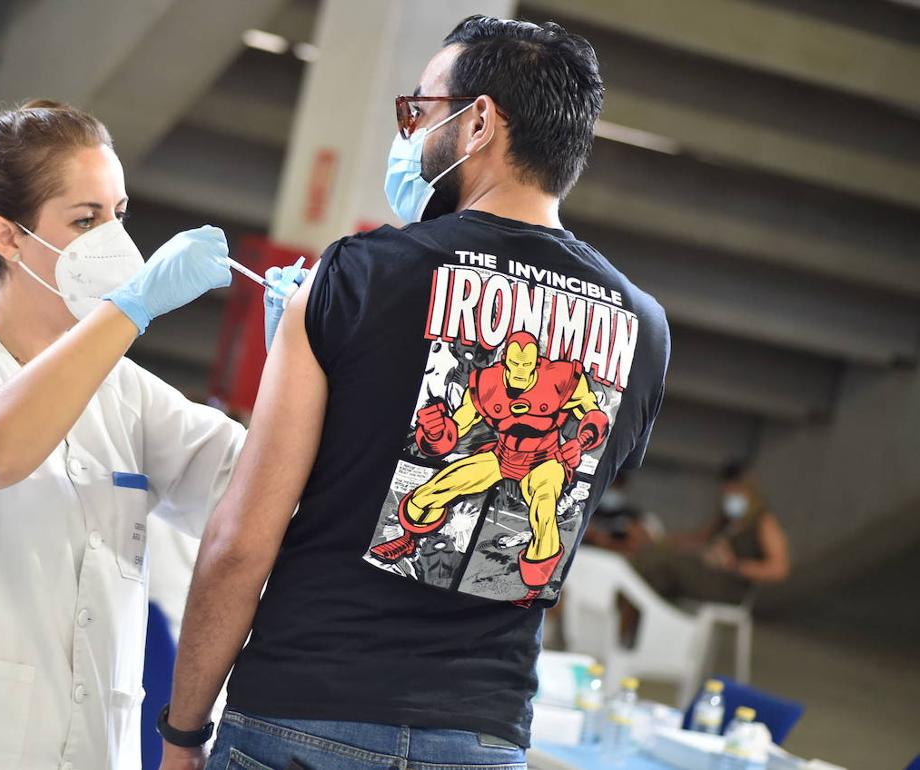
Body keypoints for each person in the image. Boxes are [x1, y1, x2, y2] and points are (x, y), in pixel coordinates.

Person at [160, 17, 669, 770]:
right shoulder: (644, 329)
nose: (411, 131)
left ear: (480, 122)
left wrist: (181, 733)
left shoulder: (359, 275)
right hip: (480, 732)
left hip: (306, 710)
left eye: (421, 110)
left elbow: (240, 543)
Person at [0, 100, 299, 770]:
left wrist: (293, 371)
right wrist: (128, 311)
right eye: (85, 219)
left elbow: (262, 492)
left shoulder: (129, 397)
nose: (114, 239)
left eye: (119, 214)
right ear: (9, 239)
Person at [631, 462, 790, 604]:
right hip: (706, 574)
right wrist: (661, 542)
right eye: (726, 492)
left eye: (734, 492)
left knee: (664, 567)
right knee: (653, 571)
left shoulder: (763, 522)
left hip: (728, 586)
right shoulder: (727, 520)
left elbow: (779, 568)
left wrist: (734, 565)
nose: (729, 497)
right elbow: (698, 539)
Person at [582, 472, 657, 555]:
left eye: (616, 484)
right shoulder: (584, 509)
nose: (612, 488)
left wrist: (607, 542)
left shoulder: (633, 515)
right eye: (609, 484)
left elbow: (649, 540)